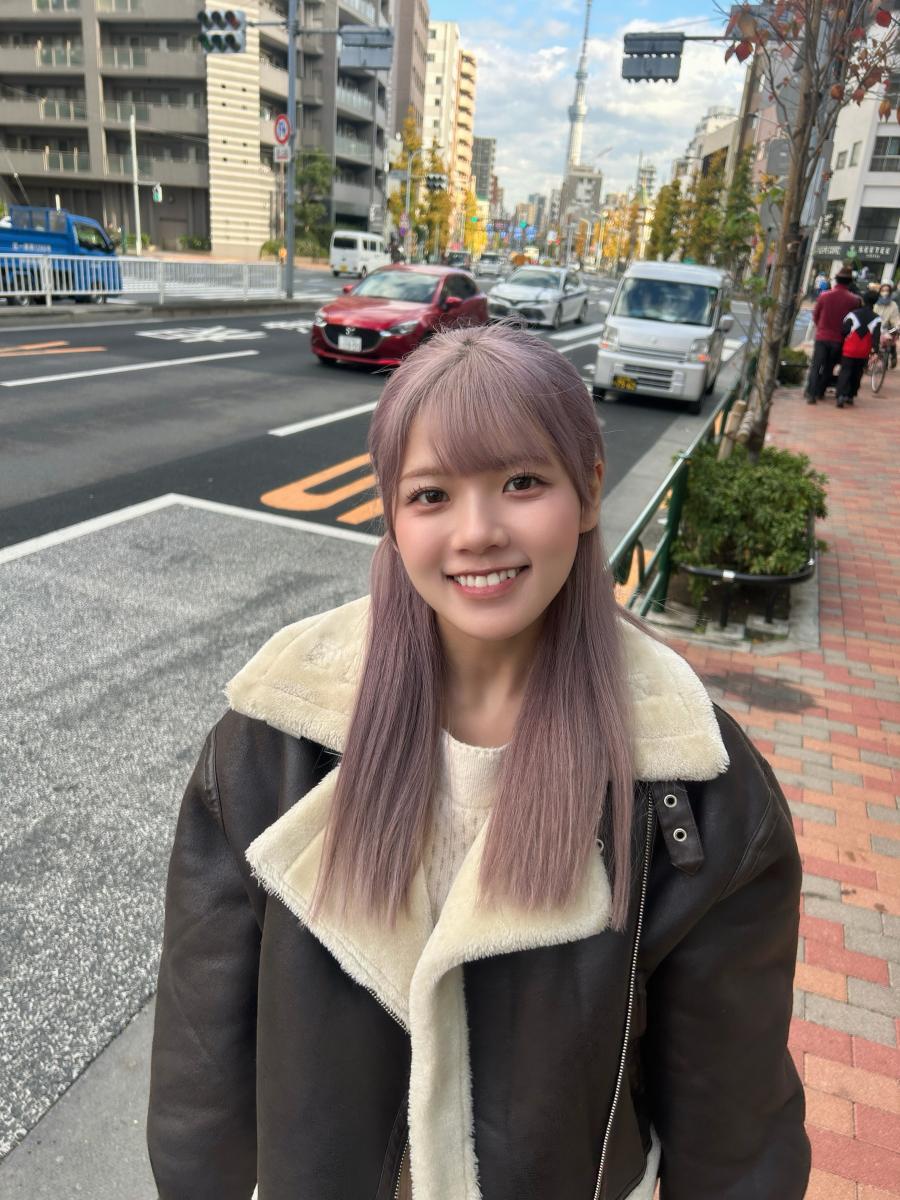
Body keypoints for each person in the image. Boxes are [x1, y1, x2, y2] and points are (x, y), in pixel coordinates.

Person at [146, 325, 810, 1200]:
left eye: (522, 482)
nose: (477, 532)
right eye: (431, 495)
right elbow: (199, 1067)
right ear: (392, 517)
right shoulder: (273, 737)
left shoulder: (698, 789)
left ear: (589, 489)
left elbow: (735, 1134)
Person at [804, 264, 861, 403]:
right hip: (839, 339)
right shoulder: (854, 300)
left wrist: (821, 327)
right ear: (849, 282)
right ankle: (820, 392)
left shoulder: (824, 296)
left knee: (816, 366)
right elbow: (852, 321)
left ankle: (811, 394)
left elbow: (816, 315)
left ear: (836, 280)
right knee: (829, 367)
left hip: (822, 336)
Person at [835, 292, 881, 408]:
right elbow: (876, 337)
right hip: (863, 351)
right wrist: (875, 351)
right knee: (857, 373)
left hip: (849, 348)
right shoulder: (876, 318)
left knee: (845, 371)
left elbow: (844, 330)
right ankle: (850, 395)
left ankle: (840, 395)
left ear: (863, 300)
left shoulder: (853, 314)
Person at [874, 281, 900, 366]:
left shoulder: (893, 305)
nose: (885, 292)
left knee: (892, 336)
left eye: (887, 290)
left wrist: (896, 327)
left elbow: (896, 320)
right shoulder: (876, 303)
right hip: (876, 328)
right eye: (883, 290)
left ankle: (893, 354)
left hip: (889, 328)